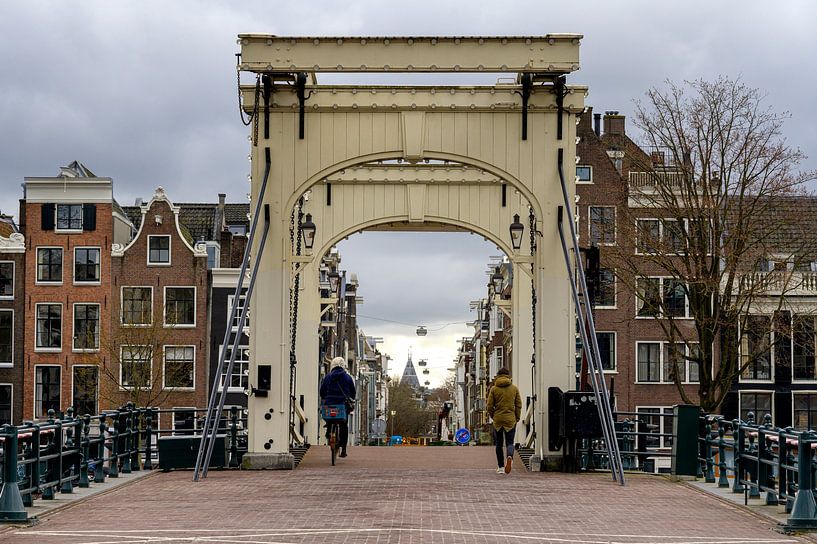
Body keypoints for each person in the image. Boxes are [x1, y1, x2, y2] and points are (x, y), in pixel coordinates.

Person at [486, 367, 522, 474]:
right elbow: (518, 405)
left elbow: (489, 406)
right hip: (510, 419)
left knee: (499, 444)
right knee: (510, 443)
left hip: (498, 419)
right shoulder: (514, 389)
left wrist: (493, 416)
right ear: (508, 376)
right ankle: (510, 457)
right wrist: (517, 417)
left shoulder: (494, 389)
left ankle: (501, 467)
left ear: (498, 376)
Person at [319, 357, 356, 457]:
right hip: (343, 405)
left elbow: (322, 392)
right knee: (344, 425)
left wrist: (326, 397)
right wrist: (351, 398)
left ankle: (329, 433)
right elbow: (353, 393)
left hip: (329, 404)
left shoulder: (327, 377)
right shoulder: (348, 378)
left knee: (329, 419)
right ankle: (343, 449)